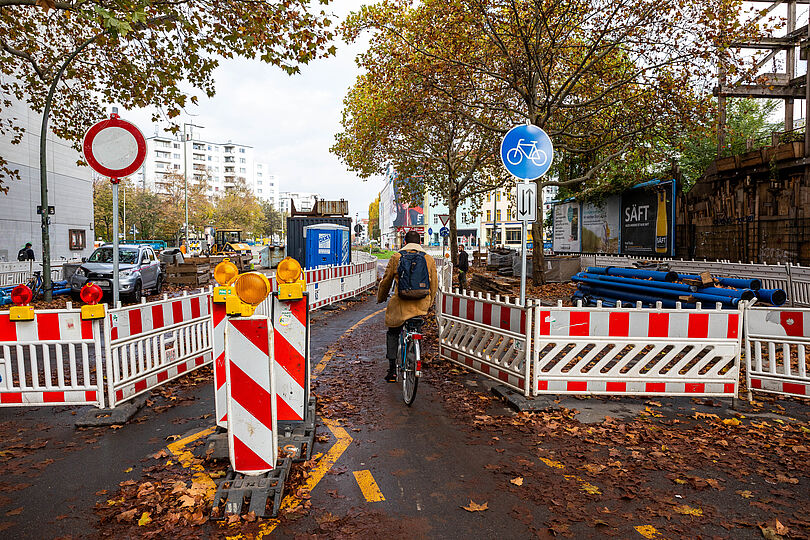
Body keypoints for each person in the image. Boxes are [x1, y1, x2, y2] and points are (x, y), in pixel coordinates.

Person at [377, 230, 438, 382]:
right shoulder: (429, 259)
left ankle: (392, 370)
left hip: (400, 305)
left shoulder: (396, 257)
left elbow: (386, 281)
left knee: (393, 333)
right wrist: (429, 303)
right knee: (415, 329)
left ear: (404, 242)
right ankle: (414, 356)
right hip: (420, 305)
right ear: (420, 243)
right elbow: (434, 285)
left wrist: (381, 298)